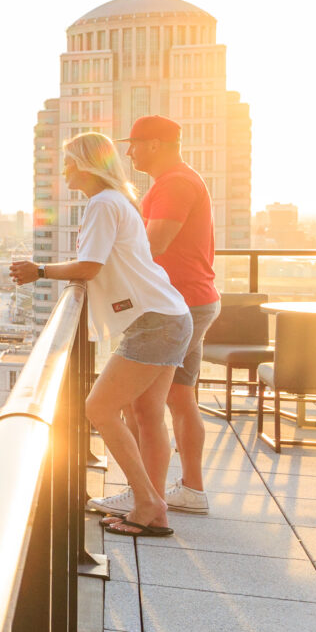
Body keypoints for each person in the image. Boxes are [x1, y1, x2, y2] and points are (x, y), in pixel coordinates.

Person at [12, 130, 192, 535]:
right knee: (145, 413)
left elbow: (89, 267)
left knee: (99, 408)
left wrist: (38, 271)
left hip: (155, 323)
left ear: (87, 165)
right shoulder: (117, 202)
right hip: (167, 316)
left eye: (69, 162)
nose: (64, 171)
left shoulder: (102, 204)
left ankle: (147, 502)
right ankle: (153, 506)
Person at [121, 115, 217, 515]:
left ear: (156, 144)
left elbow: (153, 243)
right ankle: (190, 491)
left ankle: (145, 496)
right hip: (194, 299)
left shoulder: (175, 183)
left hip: (177, 304)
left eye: (136, 144)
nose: (129, 152)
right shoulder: (180, 179)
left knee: (139, 403)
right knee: (180, 397)